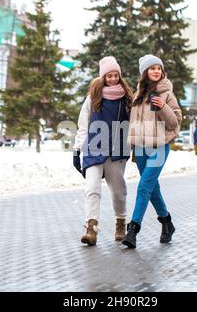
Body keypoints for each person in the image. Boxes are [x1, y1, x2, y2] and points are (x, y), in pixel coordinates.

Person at [122, 54, 182, 249]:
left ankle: (133, 229)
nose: (156, 71)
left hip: (159, 147)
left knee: (143, 186)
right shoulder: (137, 95)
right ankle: (166, 222)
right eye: (152, 68)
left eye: (159, 68)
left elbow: (175, 122)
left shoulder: (167, 94)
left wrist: (163, 107)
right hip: (140, 149)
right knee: (152, 188)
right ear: (145, 72)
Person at [73, 56, 133, 246]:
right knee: (92, 188)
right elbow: (83, 125)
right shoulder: (93, 97)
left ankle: (121, 223)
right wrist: (76, 150)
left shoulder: (126, 98)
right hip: (94, 149)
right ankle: (91, 228)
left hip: (117, 151)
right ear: (103, 77)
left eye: (116, 75)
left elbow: (134, 124)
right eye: (109, 76)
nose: (113, 79)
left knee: (118, 191)